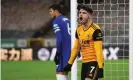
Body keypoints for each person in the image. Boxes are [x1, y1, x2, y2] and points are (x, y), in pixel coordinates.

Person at [64, 5, 104, 80]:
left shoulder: (96, 30)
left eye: (84, 13)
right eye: (80, 13)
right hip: (85, 62)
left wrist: (100, 67)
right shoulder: (79, 30)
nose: (81, 14)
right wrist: (70, 63)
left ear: (89, 16)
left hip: (94, 61)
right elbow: (76, 48)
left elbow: (98, 50)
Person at [49, 4, 71, 80]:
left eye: (50, 11)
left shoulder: (56, 21)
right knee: (65, 71)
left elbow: (59, 38)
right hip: (72, 48)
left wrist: (58, 52)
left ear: (56, 11)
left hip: (64, 50)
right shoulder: (67, 20)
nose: (50, 13)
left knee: (60, 71)